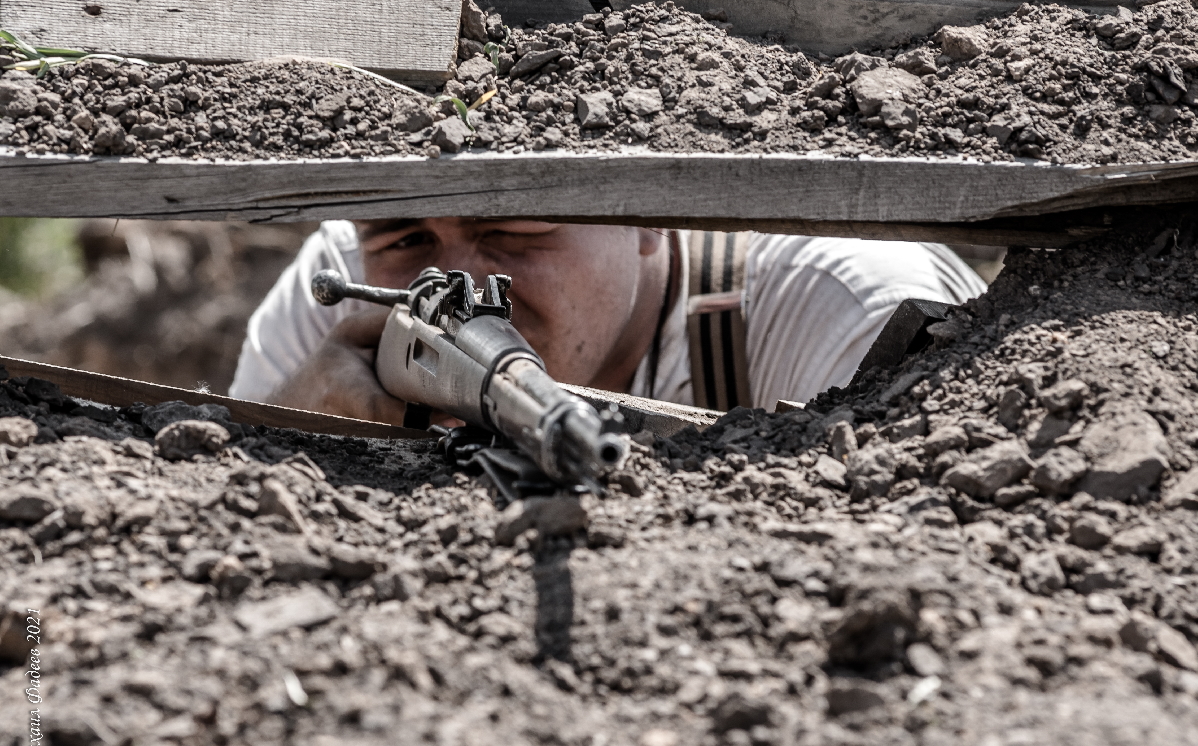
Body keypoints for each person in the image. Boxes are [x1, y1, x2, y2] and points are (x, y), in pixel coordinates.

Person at [228, 219, 986, 424]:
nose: (459, 286)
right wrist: (293, 423)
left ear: (645, 212)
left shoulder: (846, 308)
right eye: (406, 242)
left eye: (512, 230)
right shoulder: (342, 280)